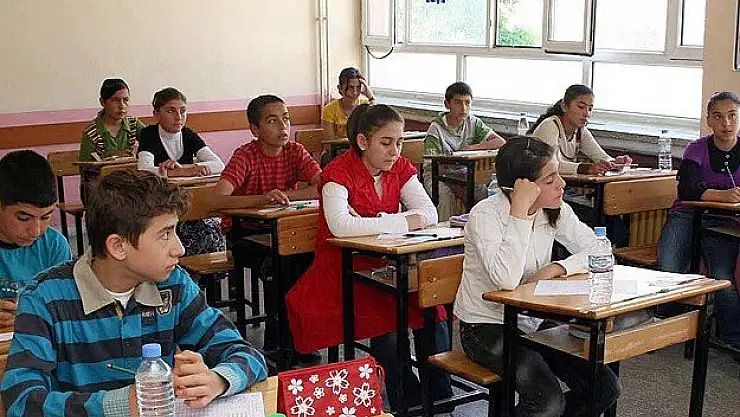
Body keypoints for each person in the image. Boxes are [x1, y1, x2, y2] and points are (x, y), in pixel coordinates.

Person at [1, 170, 267, 417]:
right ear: (118, 246)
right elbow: (20, 401)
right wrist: (118, 404)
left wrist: (216, 380)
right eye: (165, 235)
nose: (180, 248)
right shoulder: (44, 298)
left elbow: (248, 355)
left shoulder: (173, 284)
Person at [287, 104, 453, 411]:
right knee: (387, 321)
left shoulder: (400, 168)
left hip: (388, 263)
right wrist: (402, 220)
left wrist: (376, 222)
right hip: (344, 269)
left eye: (399, 142)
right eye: (386, 143)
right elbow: (341, 226)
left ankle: (439, 394)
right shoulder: (338, 173)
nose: (394, 151)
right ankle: (404, 398)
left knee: (432, 307)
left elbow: (429, 213)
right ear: (363, 141)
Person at [455, 137, 621, 417]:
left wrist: (558, 267)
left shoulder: (555, 209)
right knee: (547, 402)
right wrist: (520, 213)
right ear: (522, 187)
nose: (562, 184)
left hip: (532, 319)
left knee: (605, 386)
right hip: (485, 326)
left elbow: (601, 250)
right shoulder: (485, 215)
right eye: (550, 179)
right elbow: (506, 280)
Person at [211, 94, 321, 356]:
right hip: (245, 235)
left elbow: (323, 185)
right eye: (273, 121)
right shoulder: (246, 156)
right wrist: (261, 199)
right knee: (281, 264)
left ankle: (301, 338)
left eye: (286, 119)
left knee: (309, 259)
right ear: (255, 129)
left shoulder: (295, 151)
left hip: (284, 232)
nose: (283, 126)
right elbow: (216, 200)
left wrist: (285, 196)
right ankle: (278, 343)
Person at [658, 91, 740, 349]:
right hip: (687, 214)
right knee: (669, 268)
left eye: (732, 116)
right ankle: (668, 327)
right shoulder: (696, 148)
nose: (726, 123)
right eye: (718, 117)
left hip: (722, 222)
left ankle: (732, 337)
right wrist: (722, 195)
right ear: (709, 121)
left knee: (722, 276)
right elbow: (687, 190)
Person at [137, 87, 226, 266]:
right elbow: (144, 169)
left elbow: (219, 165)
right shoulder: (148, 134)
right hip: (161, 204)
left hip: (188, 201)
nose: (179, 117)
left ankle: (202, 276)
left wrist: (187, 168)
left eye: (183, 111)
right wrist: (182, 171)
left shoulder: (188, 134)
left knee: (210, 232)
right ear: (156, 114)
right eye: (171, 111)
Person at [0, 150, 72, 328]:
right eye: (23, 218)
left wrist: (30, 314)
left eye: (46, 217)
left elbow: (65, 306)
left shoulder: (54, 244)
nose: (36, 231)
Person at [423, 81, 506, 220]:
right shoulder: (435, 129)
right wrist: (455, 181)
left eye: (467, 103)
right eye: (458, 103)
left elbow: (500, 142)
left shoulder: (473, 122)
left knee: (483, 191)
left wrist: (473, 148)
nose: (463, 108)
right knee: (445, 195)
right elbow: (432, 164)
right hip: (436, 174)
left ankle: (479, 224)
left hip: (464, 173)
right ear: (447, 104)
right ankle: (448, 229)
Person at [530, 84, 632, 175]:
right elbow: (551, 164)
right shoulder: (550, 126)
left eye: (590, 109)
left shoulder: (580, 130)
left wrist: (614, 163)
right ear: (564, 106)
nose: (586, 114)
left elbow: (600, 156)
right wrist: (587, 168)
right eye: (581, 107)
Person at [79, 78, 146, 203]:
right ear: (103, 102)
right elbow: (84, 169)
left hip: (128, 183)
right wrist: (109, 157)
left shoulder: (133, 124)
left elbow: (151, 141)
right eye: (115, 100)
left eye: (126, 100)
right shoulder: (92, 132)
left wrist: (139, 154)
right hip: (100, 187)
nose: (122, 105)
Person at [321, 67, 375, 141]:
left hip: (360, 147)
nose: (355, 92)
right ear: (340, 88)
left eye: (358, 87)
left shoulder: (365, 105)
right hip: (337, 147)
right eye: (351, 87)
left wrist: (371, 97)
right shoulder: (329, 109)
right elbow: (329, 142)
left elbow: (375, 126)